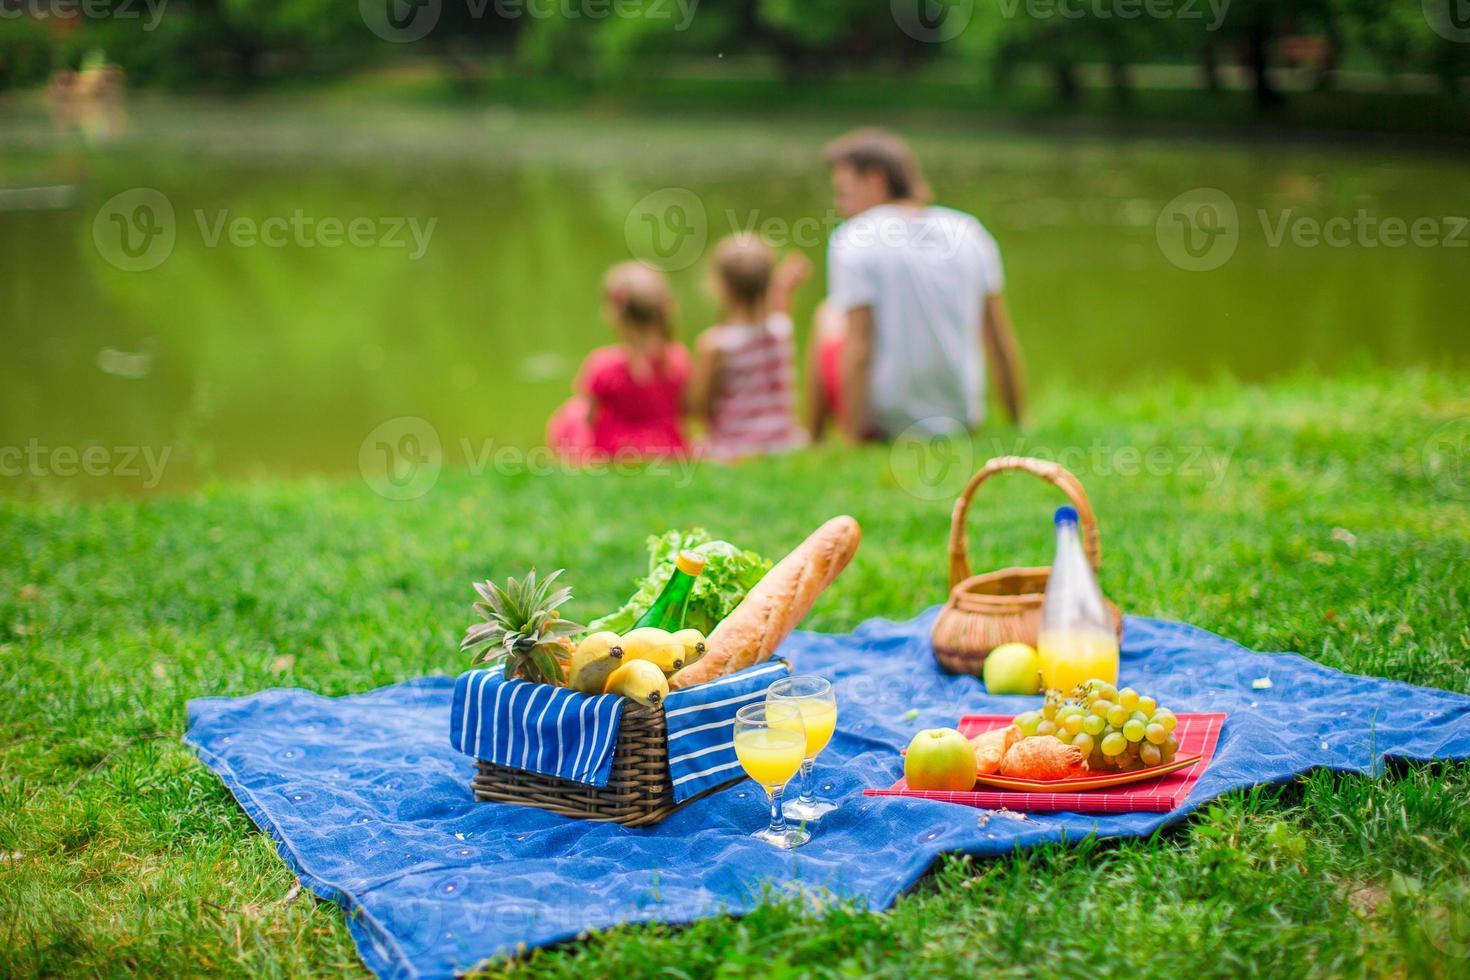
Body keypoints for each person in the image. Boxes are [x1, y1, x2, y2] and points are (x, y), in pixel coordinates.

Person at [805, 128, 1026, 442]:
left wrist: (852, 440)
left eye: (844, 191)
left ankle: (813, 440)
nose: (841, 205)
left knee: (827, 314)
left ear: (875, 180)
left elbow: (859, 349)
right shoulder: (969, 230)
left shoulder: (855, 237)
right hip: (962, 418)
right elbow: (998, 337)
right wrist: (1018, 420)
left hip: (887, 424)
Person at [547, 262, 691, 461]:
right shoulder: (678, 358)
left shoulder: (603, 364)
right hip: (668, 446)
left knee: (572, 414)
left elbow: (590, 419)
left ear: (613, 315)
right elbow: (685, 411)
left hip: (616, 450)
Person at [687, 234, 810, 461]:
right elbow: (776, 310)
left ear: (719, 286)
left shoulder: (715, 344)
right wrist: (785, 287)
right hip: (784, 443)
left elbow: (697, 406)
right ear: (769, 282)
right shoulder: (782, 329)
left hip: (735, 447)